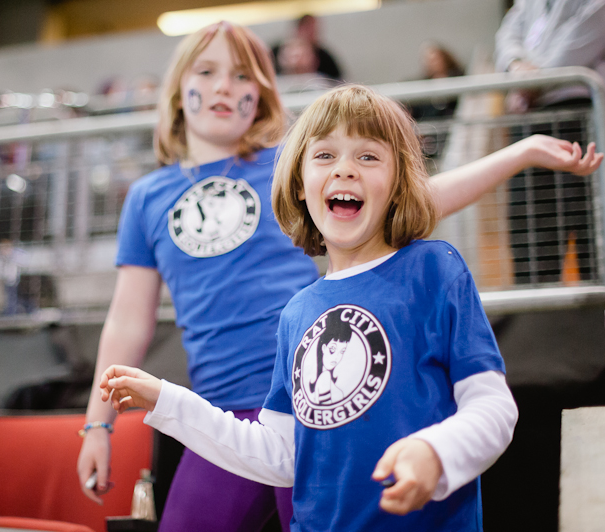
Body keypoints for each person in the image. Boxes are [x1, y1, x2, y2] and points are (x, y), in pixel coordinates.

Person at [76, 20, 604, 532]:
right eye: (207, 72)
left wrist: (519, 154)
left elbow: (410, 198)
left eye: (242, 75)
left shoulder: (295, 161)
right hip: (230, 405)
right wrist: (97, 424)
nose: (223, 86)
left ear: (261, 93)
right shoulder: (149, 198)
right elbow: (126, 320)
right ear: (179, 89)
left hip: (312, 396)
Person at [495, 0, 605, 283]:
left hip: (581, 116)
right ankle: (534, 310)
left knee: (590, 223)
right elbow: (508, 33)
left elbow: (581, 39)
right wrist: (516, 67)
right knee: (530, 224)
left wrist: (532, 82)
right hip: (530, 119)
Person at [272, 14, 343, 81]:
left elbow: (337, 80)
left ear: (315, 60)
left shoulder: (324, 56)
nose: (297, 60)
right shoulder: (276, 51)